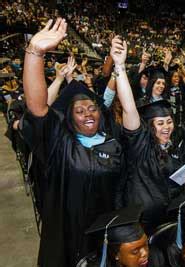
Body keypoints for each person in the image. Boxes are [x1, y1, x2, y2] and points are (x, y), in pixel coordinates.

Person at [20, 18, 122, 266]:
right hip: (66, 238)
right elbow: (36, 108)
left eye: (92, 108)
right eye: (79, 111)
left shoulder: (113, 144)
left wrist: (118, 65)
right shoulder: (60, 142)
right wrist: (35, 52)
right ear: (70, 117)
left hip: (104, 238)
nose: (88, 114)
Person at [111, 36, 185, 233]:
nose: (166, 127)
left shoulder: (177, 141)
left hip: (171, 216)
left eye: (169, 122)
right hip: (143, 221)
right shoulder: (140, 144)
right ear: (149, 126)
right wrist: (120, 66)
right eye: (160, 123)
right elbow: (129, 108)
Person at [79, 205, 150, 267]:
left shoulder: (156, 257)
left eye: (146, 244)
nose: (145, 253)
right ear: (116, 254)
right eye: (135, 251)